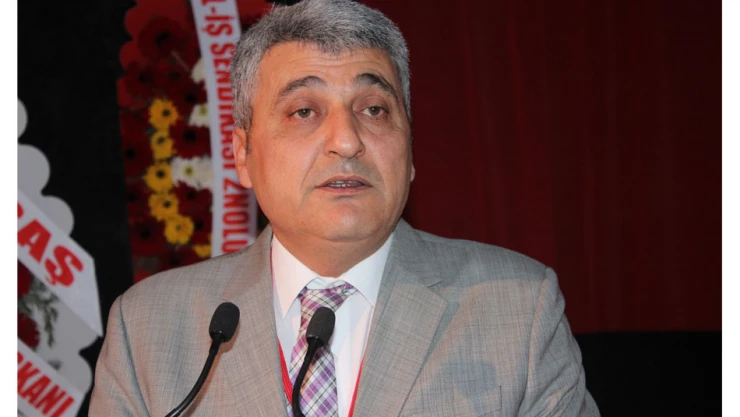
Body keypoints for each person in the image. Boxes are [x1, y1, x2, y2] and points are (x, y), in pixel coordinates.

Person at [90, 0, 600, 415]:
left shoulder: (518, 310)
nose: (347, 140)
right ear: (242, 155)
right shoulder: (148, 328)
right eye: (304, 111)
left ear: (410, 148)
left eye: (373, 109)